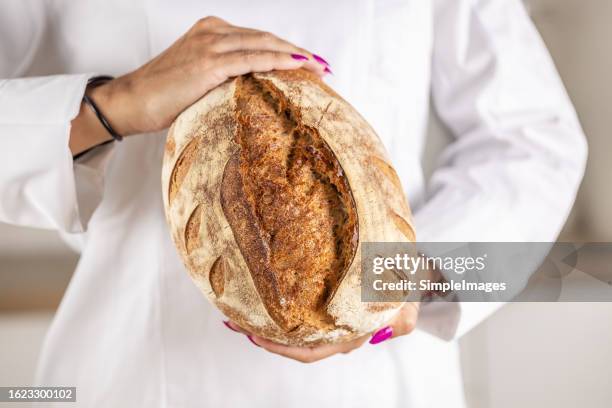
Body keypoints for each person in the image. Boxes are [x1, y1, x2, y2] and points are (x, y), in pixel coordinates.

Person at [0, 0, 586, 406]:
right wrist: (112, 104)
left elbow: (535, 140)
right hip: (134, 373)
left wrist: (421, 272)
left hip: (375, 383)